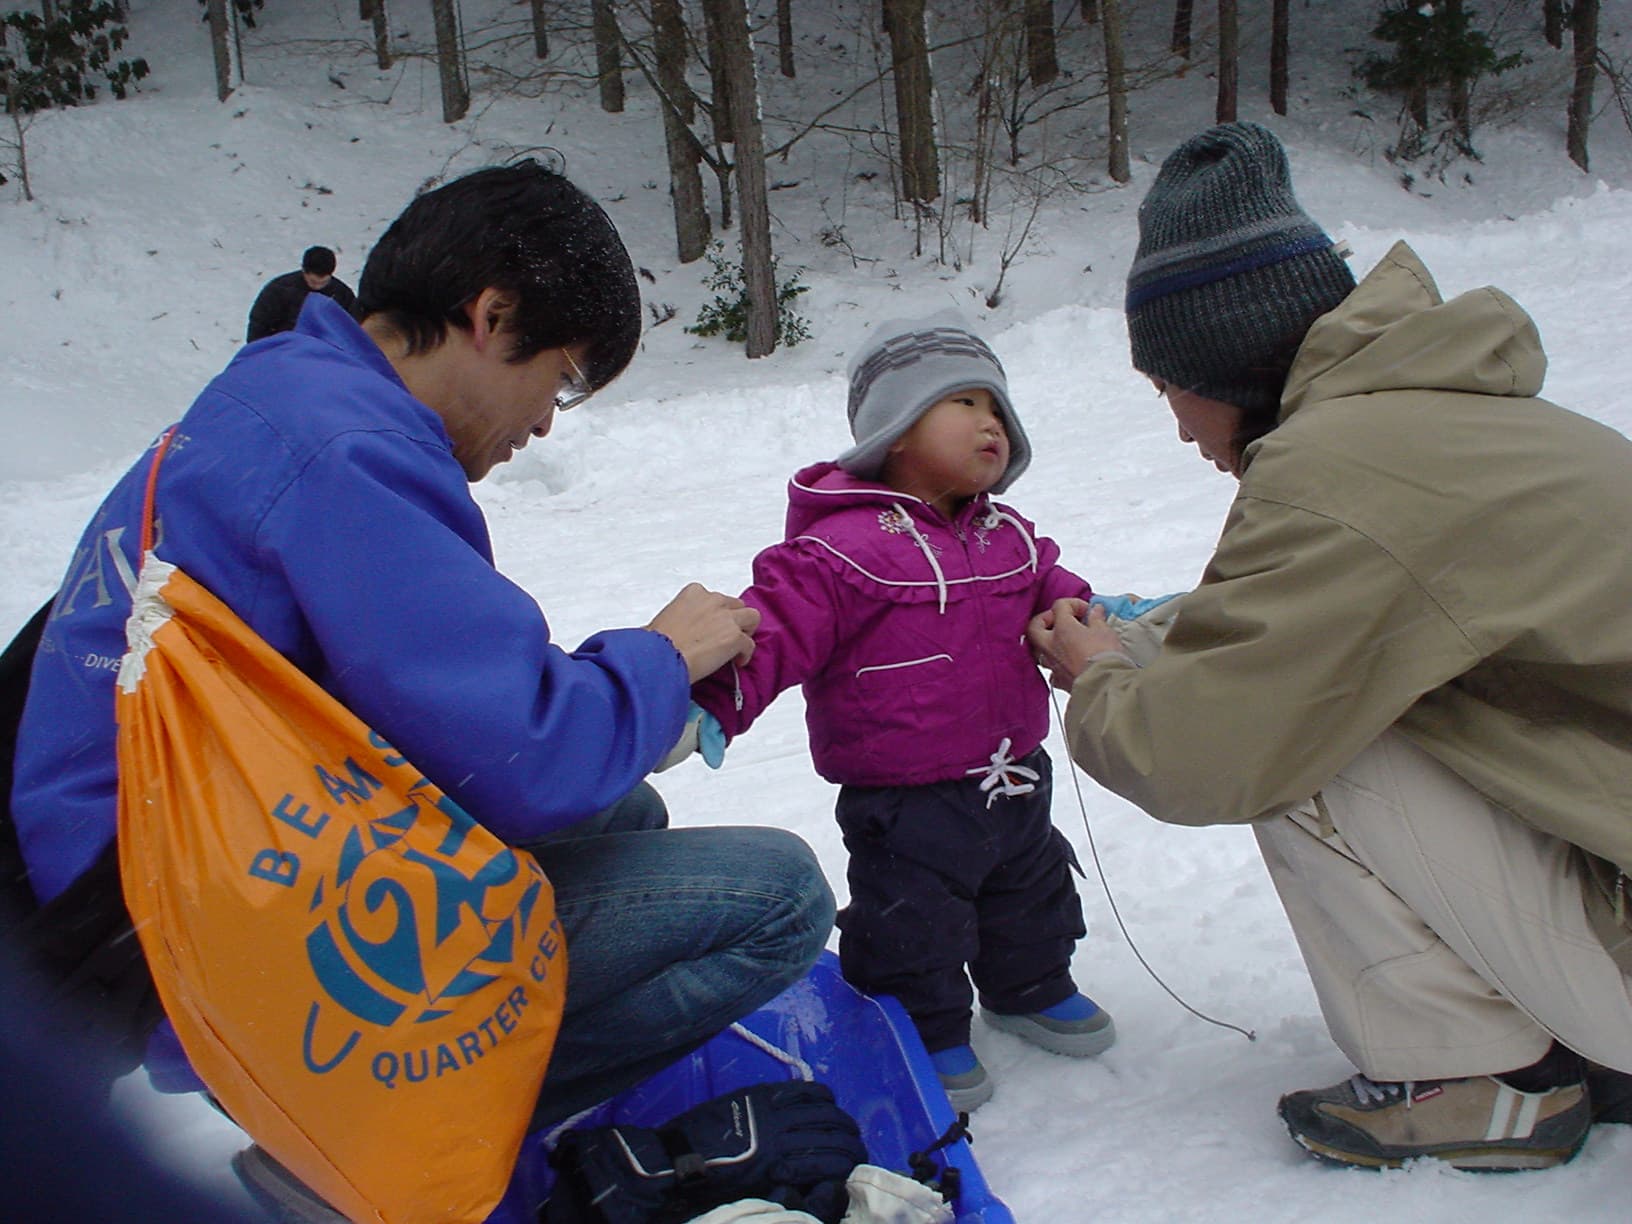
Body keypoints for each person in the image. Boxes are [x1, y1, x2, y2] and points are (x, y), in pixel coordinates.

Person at [7, 161, 834, 1201]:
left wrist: (633, 699)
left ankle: (374, 1119)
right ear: (491, 315)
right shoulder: (348, 450)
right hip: (213, 930)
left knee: (626, 812)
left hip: (182, 854)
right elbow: (528, 753)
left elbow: (448, 702)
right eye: (563, 380)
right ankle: (368, 1146)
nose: (544, 423)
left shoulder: (284, 390)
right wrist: (665, 657)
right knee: (781, 901)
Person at [1028, 121, 1632, 1172]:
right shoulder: (1439, 419)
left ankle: (1474, 1082)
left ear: (1221, 358)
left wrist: (1100, 677)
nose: (1178, 428)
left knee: (1306, 741)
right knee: (1325, 689)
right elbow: (1308, 611)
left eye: (1169, 387)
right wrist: (1149, 633)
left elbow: (1202, 749)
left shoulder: (1335, 470)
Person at [689, 311, 1128, 1113]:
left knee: (1028, 891)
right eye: (962, 403)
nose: (990, 422)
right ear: (894, 429)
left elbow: (1057, 593)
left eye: (997, 407)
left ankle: (1029, 984)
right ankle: (922, 1026)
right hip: (905, 795)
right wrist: (711, 700)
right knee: (911, 921)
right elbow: (773, 629)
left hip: (1013, 774)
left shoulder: (1009, 535)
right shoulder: (840, 549)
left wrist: (1095, 623)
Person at [245, 244, 358, 342]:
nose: (317, 286)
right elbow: (259, 325)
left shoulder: (342, 295)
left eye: (324, 282)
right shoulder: (279, 290)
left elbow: (352, 331)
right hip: (282, 349)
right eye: (313, 282)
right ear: (304, 271)